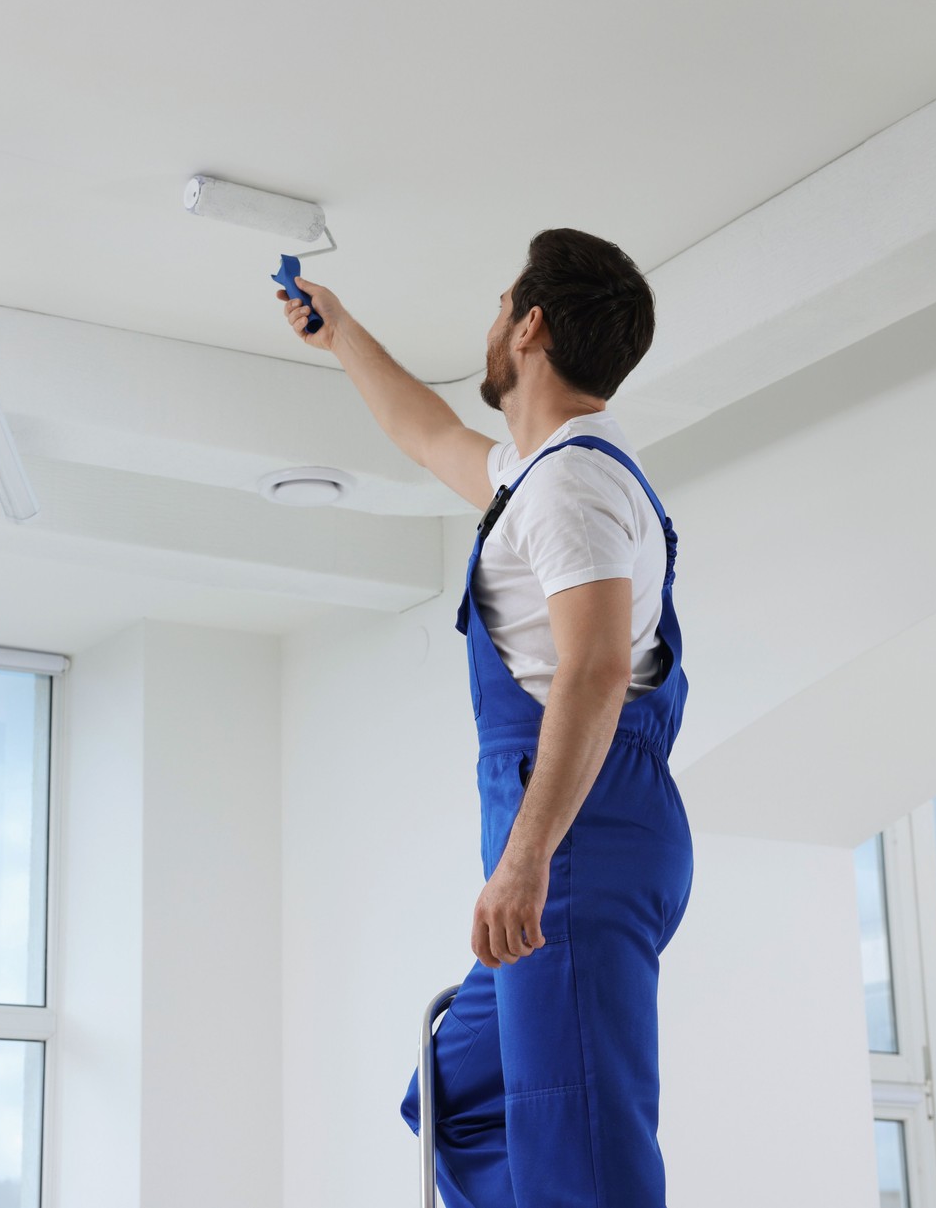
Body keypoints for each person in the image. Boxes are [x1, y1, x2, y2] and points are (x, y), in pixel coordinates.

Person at [279, 229, 693, 1207]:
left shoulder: (569, 490)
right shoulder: (545, 479)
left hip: (576, 843)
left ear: (530, 326)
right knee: (462, 1100)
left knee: (579, 1140)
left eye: (501, 306)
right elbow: (427, 434)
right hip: (591, 829)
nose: (492, 324)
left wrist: (526, 861)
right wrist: (342, 334)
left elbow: (592, 670)